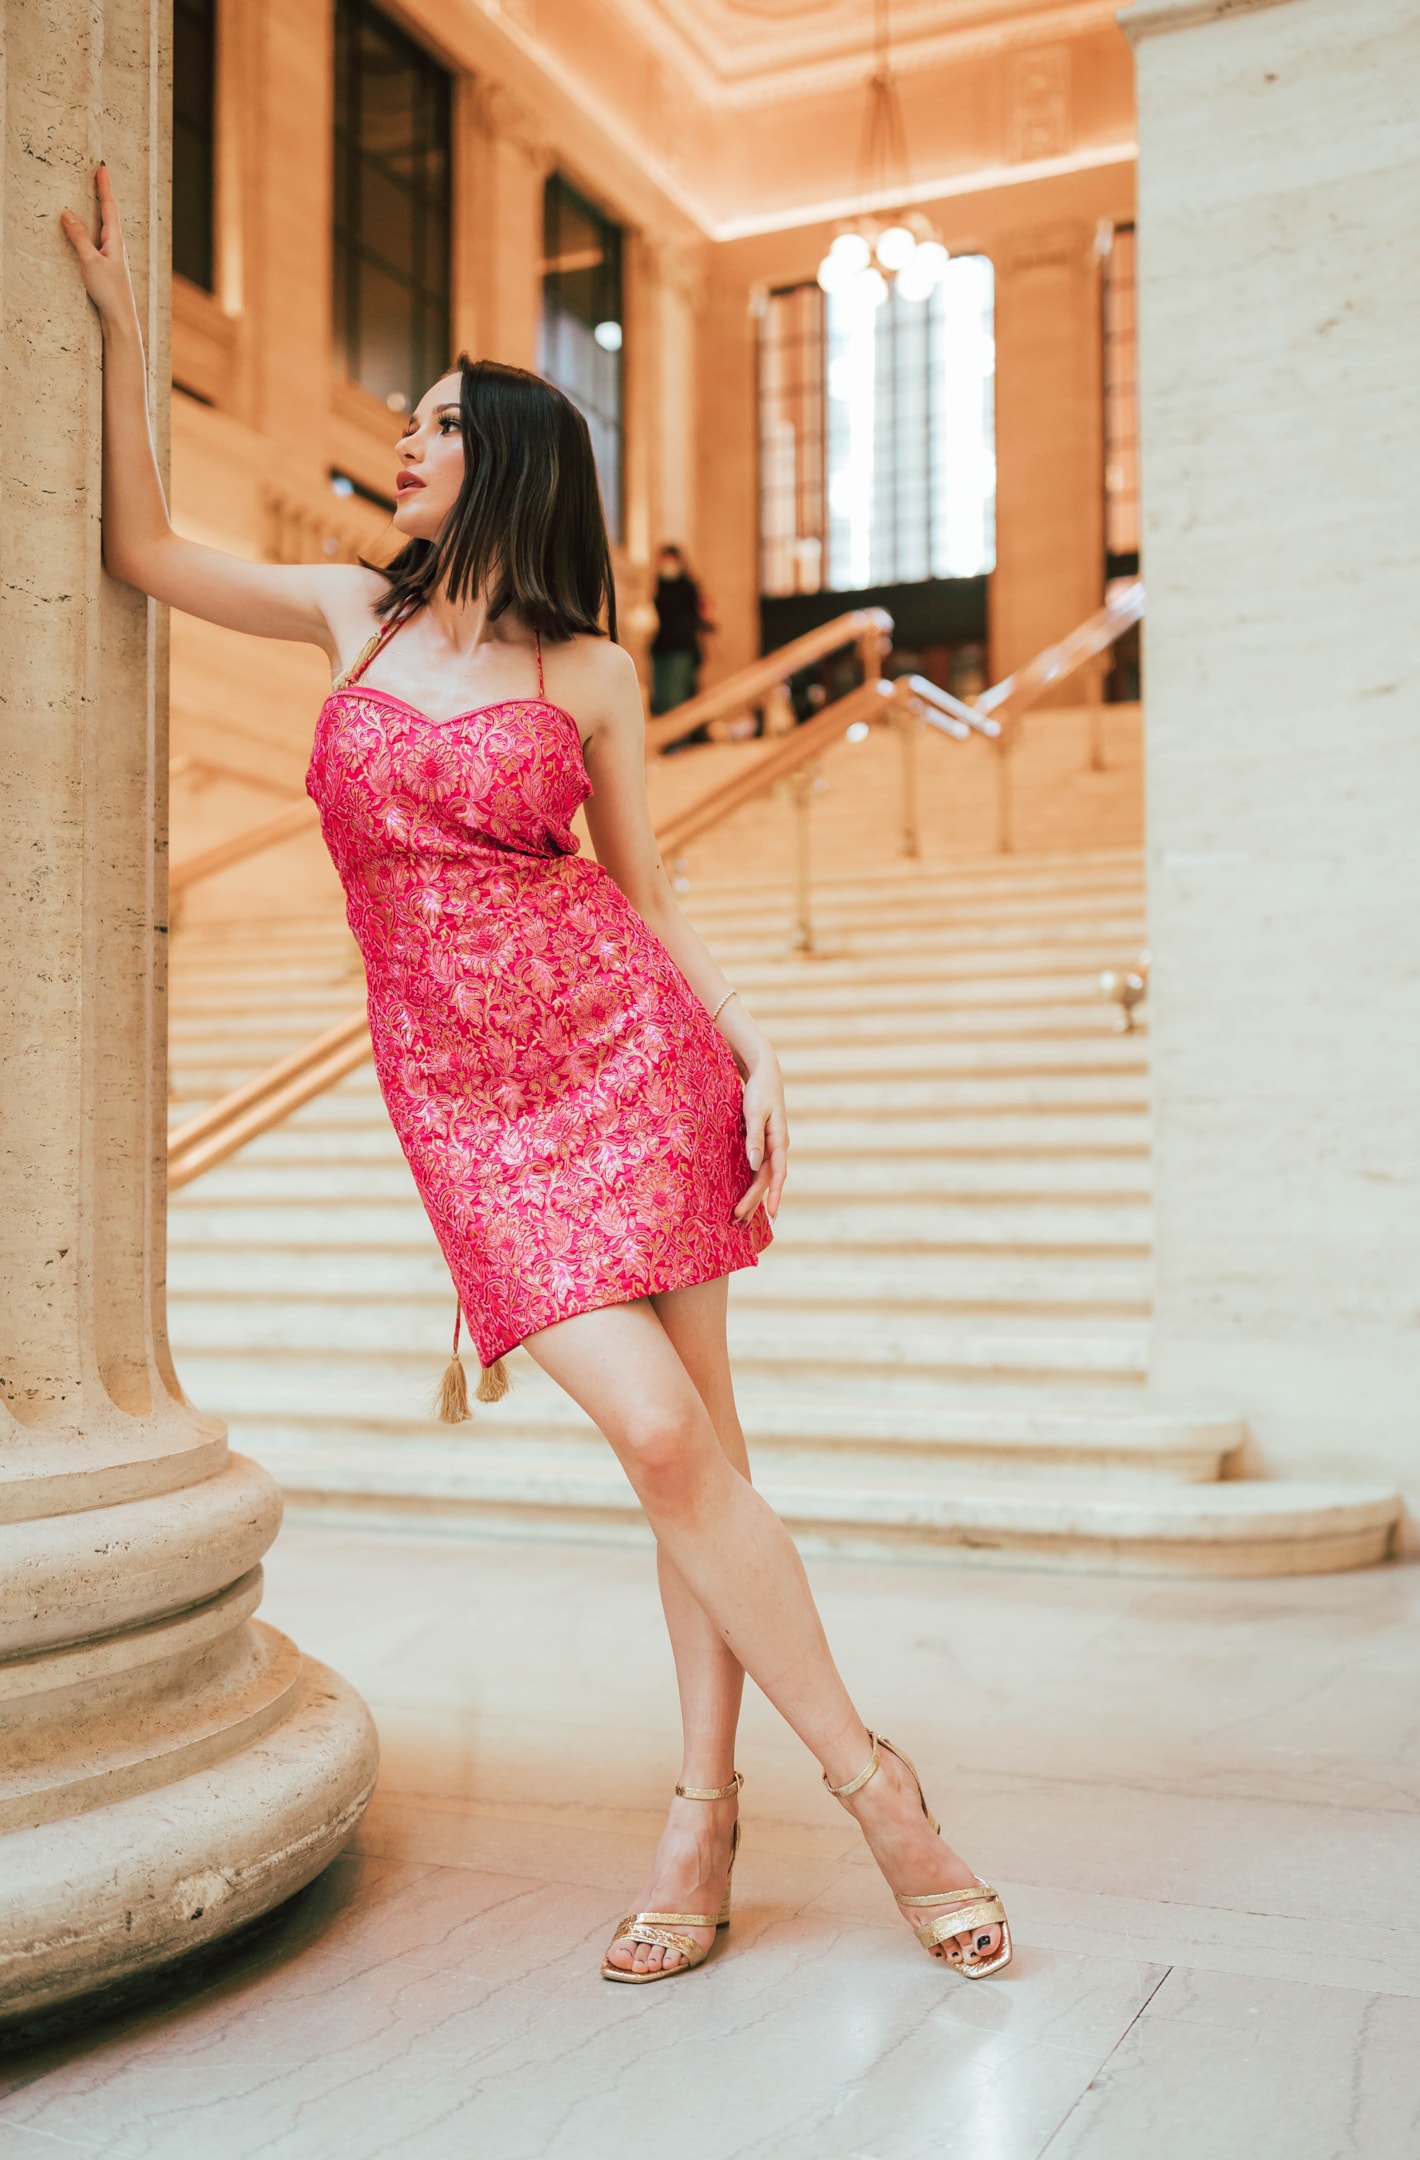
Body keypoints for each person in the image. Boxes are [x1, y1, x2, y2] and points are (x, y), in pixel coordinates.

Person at [63, 167, 1011, 1986]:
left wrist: (745, 1039)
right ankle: (878, 1782)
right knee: (662, 1437)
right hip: (463, 1103)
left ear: (502, 461)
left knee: (693, 1457)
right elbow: (144, 553)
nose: (400, 446)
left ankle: (713, 1815)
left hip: (623, 1054)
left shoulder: (590, 665)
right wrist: (122, 330)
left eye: (431, 427)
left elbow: (647, 895)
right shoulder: (353, 612)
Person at [649, 543, 709, 715]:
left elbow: (693, 618)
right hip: (661, 647)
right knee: (661, 699)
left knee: (675, 699)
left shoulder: (688, 587)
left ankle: (678, 741)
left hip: (681, 648)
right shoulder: (659, 586)